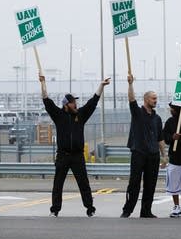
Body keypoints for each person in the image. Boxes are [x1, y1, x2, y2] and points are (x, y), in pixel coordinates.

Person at [39, 75, 110, 217]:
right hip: (63, 155)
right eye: (72, 103)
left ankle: (90, 208)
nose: (75, 105)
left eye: (75, 102)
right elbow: (47, 101)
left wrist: (101, 86)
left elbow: (93, 102)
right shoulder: (59, 115)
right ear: (66, 105)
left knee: (84, 183)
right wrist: (43, 83)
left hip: (77, 156)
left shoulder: (80, 115)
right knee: (58, 184)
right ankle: (55, 210)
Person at [120, 75, 167, 218]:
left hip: (153, 155)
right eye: (153, 98)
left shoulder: (157, 118)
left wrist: (164, 155)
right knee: (134, 183)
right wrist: (130, 84)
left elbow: (160, 138)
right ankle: (127, 210)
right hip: (139, 153)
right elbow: (131, 100)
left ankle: (146, 211)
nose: (156, 101)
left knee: (150, 185)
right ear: (146, 99)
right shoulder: (137, 113)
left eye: (156, 98)